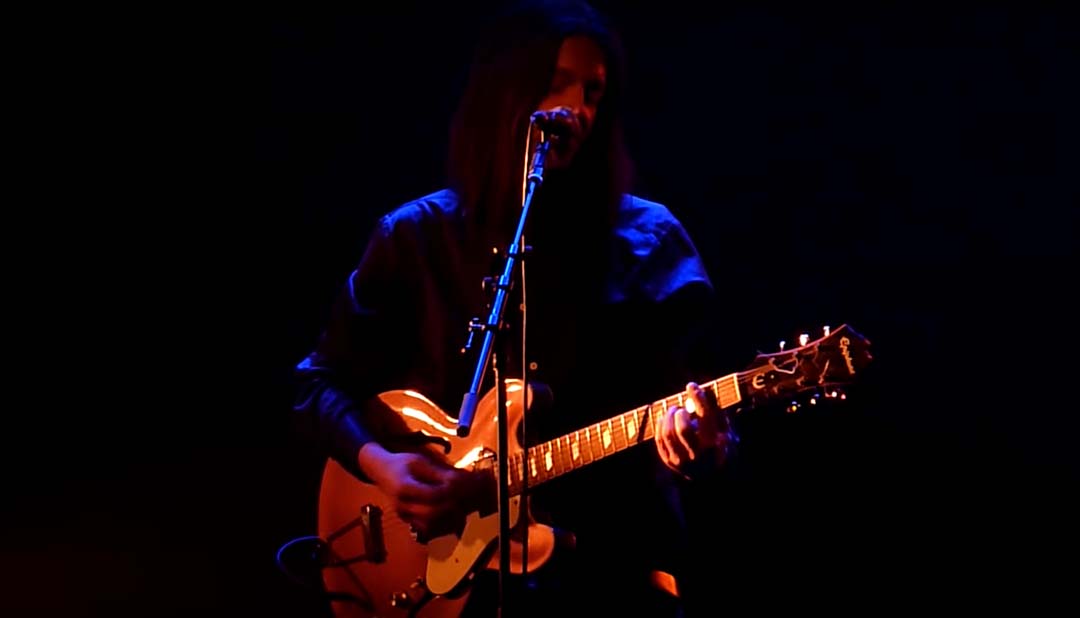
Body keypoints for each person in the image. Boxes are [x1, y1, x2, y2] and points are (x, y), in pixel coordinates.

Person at [293, 1, 737, 616]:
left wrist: (701, 443)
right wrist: (386, 466)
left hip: (605, 574)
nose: (577, 108)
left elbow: (694, 411)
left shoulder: (651, 245)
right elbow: (316, 384)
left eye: (593, 92)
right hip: (442, 580)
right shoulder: (416, 236)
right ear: (504, 93)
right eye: (555, 83)